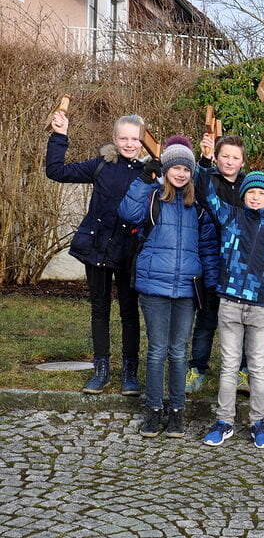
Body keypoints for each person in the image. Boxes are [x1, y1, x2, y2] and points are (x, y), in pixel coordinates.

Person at [118, 136, 218, 438]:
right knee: (157, 350)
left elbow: (207, 248)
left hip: (187, 288)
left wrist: (209, 283)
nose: (180, 173)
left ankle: (176, 411)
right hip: (154, 287)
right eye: (175, 167)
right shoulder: (151, 197)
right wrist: (141, 179)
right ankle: (153, 410)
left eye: (186, 169)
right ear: (165, 170)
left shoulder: (197, 207)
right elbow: (127, 214)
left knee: (178, 352)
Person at [45, 111, 144, 395]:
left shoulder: (150, 172)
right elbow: (56, 171)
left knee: (129, 313)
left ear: (142, 142)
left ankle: (130, 373)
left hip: (130, 252)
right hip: (98, 248)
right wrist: (60, 135)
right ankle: (101, 370)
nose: (129, 144)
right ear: (114, 139)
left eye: (134, 139)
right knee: (99, 310)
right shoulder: (101, 165)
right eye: (123, 138)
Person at [198, 171, 264, 449]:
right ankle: (224, 421)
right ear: (243, 195)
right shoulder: (230, 216)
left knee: (258, 368)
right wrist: (205, 163)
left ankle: (258, 422)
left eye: (261, 193)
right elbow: (207, 194)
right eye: (251, 192)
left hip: (261, 307)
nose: (255, 197)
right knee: (229, 366)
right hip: (230, 303)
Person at [187, 133, 247, 394]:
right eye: (225, 156)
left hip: (241, 264)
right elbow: (198, 188)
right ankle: (197, 367)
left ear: (242, 162)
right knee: (206, 318)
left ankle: (242, 370)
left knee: (241, 322)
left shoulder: (248, 185)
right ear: (217, 157)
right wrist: (203, 159)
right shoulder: (207, 179)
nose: (229, 161)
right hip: (211, 259)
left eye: (235, 157)